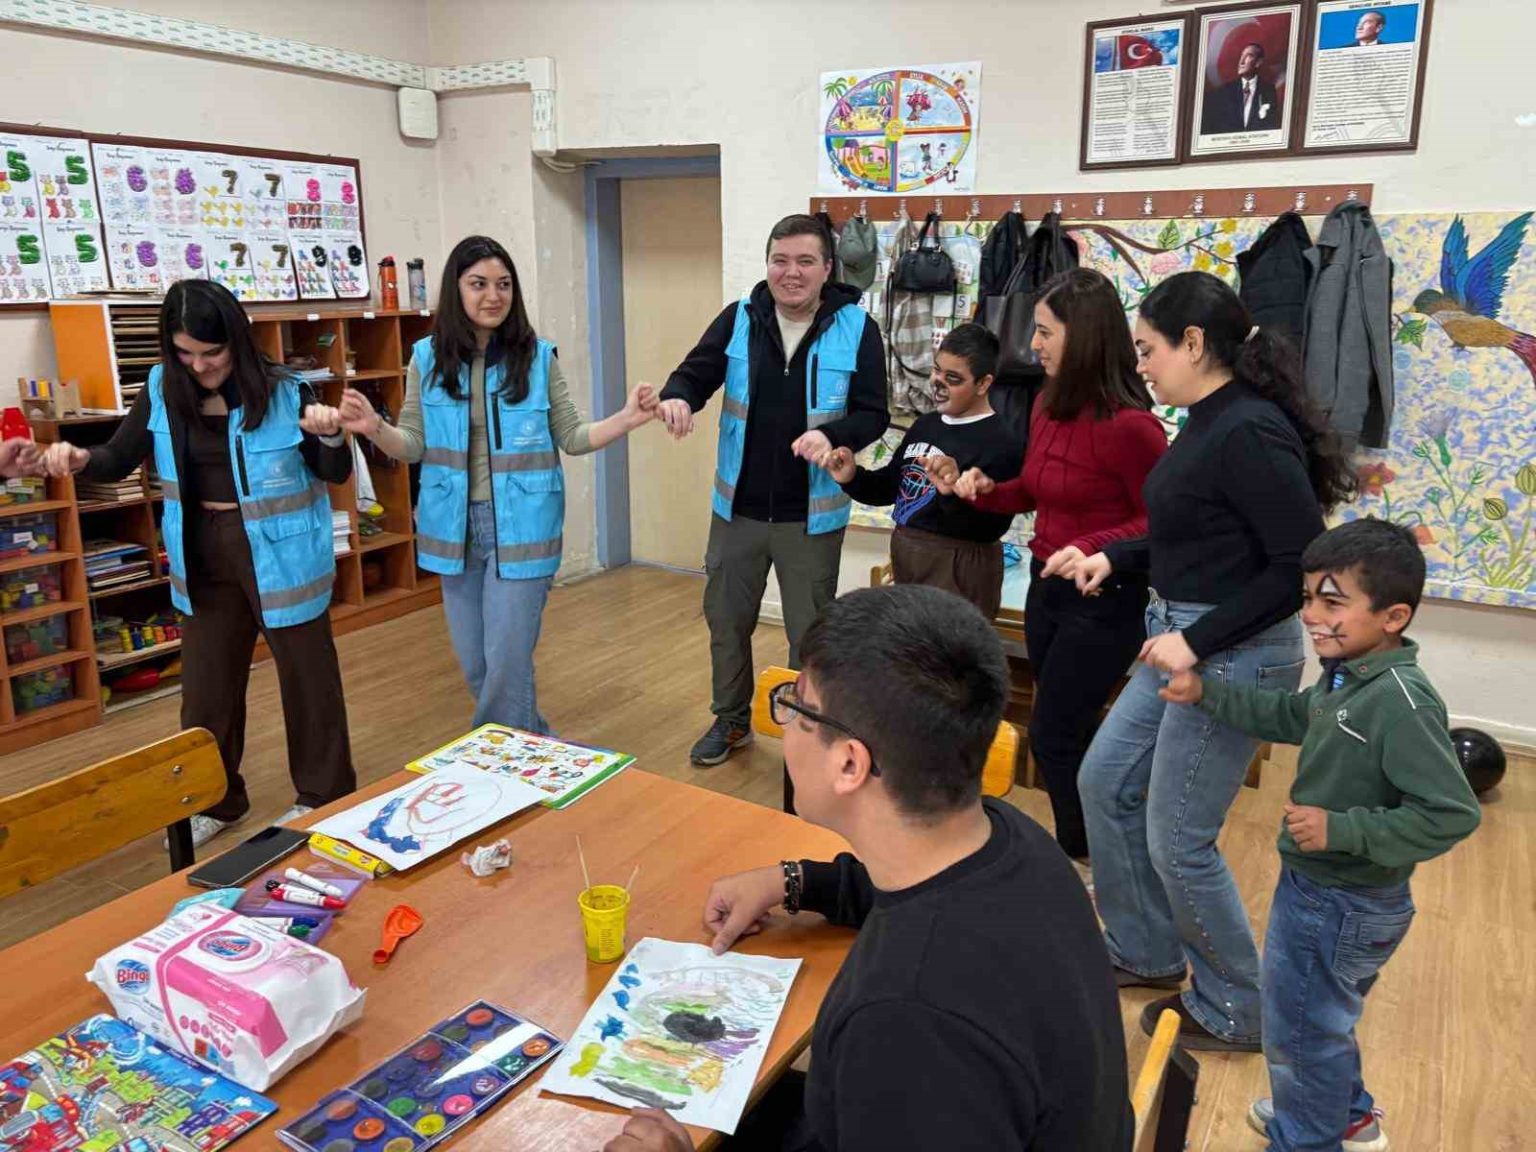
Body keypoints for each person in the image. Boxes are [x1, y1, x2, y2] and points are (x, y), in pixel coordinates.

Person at [603, 585, 1132, 1152]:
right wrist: (795, 882)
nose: (785, 722)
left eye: (797, 707)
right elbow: (910, 895)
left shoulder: (909, 1022)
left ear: (850, 763)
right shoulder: (1008, 836)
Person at [1065, 270, 1357, 1053]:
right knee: (1105, 781)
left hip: (1230, 653)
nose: (1142, 365)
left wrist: (1194, 642)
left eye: (1148, 349)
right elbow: (1194, 532)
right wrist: (1116, 558)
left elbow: (1298, 566)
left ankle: (1238, 1008)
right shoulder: (1207, 421)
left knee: (1178, 836)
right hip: (1181, 635)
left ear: (1193, 343)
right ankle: (1145, 949)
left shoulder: (1249, 429)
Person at [1160, 518, 1480, 1152]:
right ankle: (1347, 1117)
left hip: (1343, 901)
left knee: (1301, 1030)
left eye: (1332, 603)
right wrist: (1206, 693)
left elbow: (1451, 814)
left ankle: (1306, 1138)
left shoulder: (1400, 701)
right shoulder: (1347, 675)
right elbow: (1290, 714)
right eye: (1308, 598)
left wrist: (1342, 828)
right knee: (1320, 1020)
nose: (1310, 615)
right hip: (1327, 892)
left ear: (1393, 616)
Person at [42, 279, 356, 847]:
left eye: (212, 352)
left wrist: (332, 436)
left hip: (283, 556)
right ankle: (217, 799)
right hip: (201, 551)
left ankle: (323, 795)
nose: (200, 365)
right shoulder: (162, 387)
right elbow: (118, 457)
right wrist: (81, 457)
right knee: (207, 689)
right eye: (185, 353)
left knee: (309, 682)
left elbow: (333, 473)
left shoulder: (287, 391)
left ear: (236, 339)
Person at [339, 234, 656, 734]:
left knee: (507, 665)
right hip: (453, 530)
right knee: (478, 668)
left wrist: (626, 418)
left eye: (504, 284)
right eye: (479, 284)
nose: (493, 296)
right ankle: (537, 748)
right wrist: (374, 428)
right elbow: (413, 444)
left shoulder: (538, 357)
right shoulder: (426, 358)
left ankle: (502, 762)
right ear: (456, 289)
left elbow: (572, 437)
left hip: (523, 528)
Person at [937, 269, 1167, 874]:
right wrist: (984, 490)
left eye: (1044, 332)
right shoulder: (1046, 403)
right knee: (1066, 731)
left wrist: (1093, 546)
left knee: (1055, 735)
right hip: (1049, 589)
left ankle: (1085, 856)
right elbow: (1033, 491)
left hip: (1106, 599)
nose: (1032, 344)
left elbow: (1161, 521)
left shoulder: (1133, 427)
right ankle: (1100, 846)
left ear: (1084, 335)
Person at [656, 214, 888, 770]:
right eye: (780, 260)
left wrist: (832, 435)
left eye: (805, 261)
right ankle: (731, 720)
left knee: (809, 637)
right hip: (736, 512)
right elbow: (694, 373)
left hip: (810, 518)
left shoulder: (857, 328)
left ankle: (806, 734)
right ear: (767, 265)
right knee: (727, 623)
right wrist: (678, 396)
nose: (791, 273)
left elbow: (873, 413)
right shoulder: (739, 318)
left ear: (827, 268)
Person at [819, 323, 1020, 619]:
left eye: (953, 378)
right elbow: (890, 487)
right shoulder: (926, 424)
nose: (938, 383)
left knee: (950, 647)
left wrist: (950, 491)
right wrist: (852, 477)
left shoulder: (1002, 442)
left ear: (983, 384)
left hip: (959, 565)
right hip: (907, 554)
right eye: (936, 370)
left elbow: (988, 529)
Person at [1202, 42, 1280, 134]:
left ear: (1258, 62)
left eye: (1248, 56)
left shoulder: (1268, 91)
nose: (1241, 61)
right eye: (1242, 56)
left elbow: (1271, 126)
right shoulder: (1225, 92)